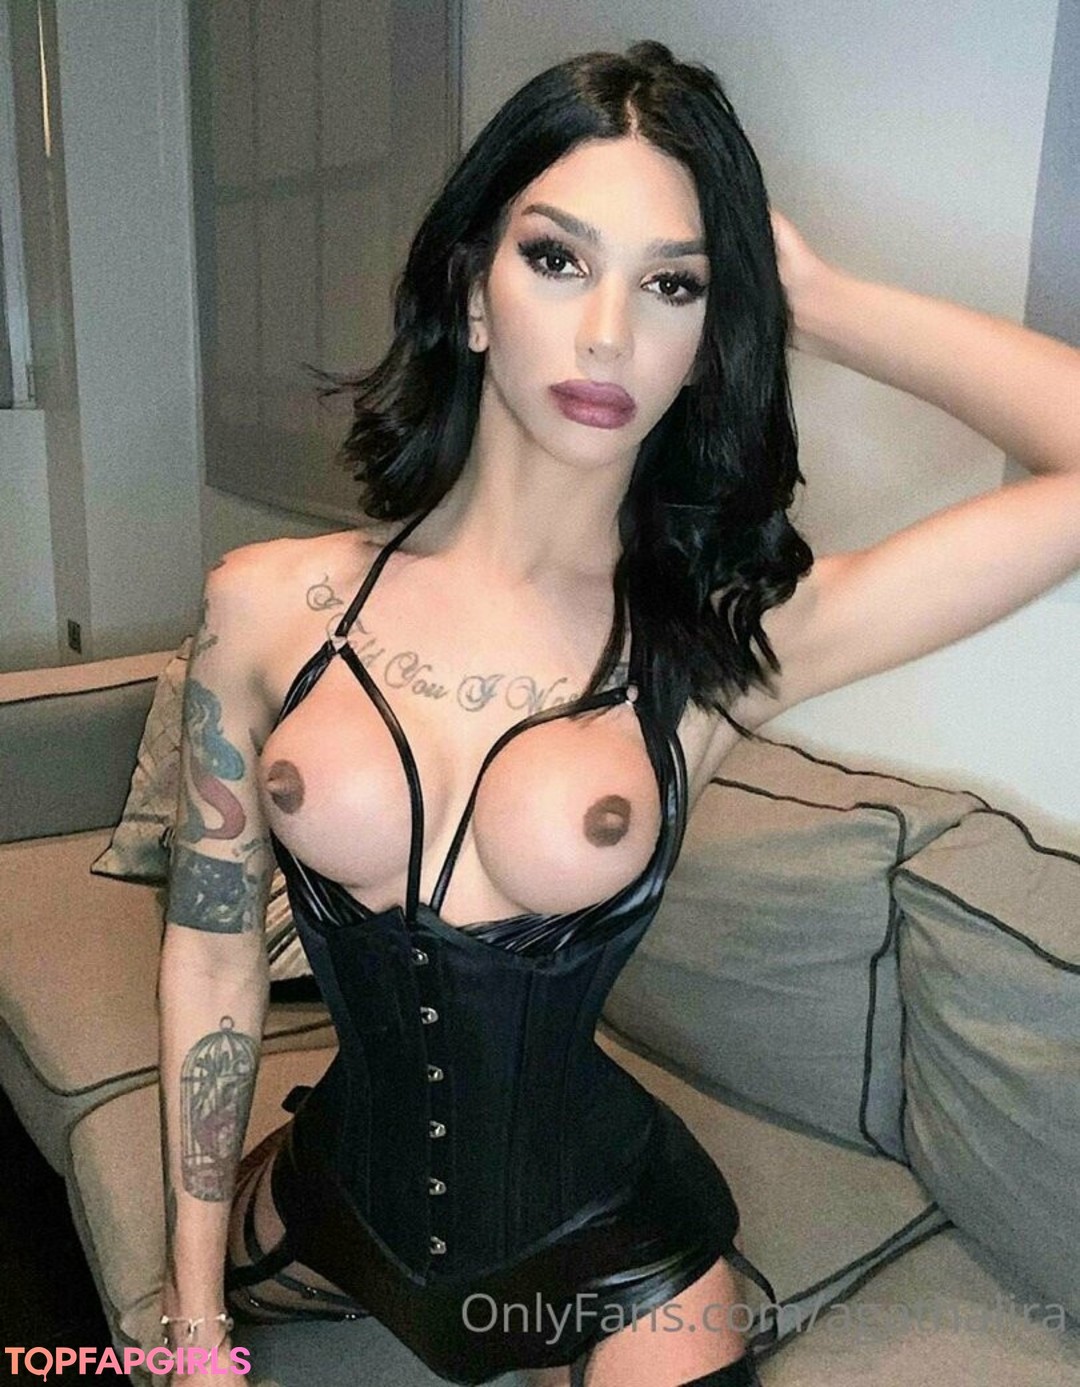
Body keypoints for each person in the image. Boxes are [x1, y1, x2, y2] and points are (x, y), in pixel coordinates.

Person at [156, 39, 1080, 1387]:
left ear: (708, 341)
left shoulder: (721, 643)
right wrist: (189, 1324)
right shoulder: (266, 604)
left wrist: (820, 301)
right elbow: (210, 956)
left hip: (609, 1238)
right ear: (472, 293)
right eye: (557, 259)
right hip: (329, 1190)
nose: (607, 334)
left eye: (672, 285)